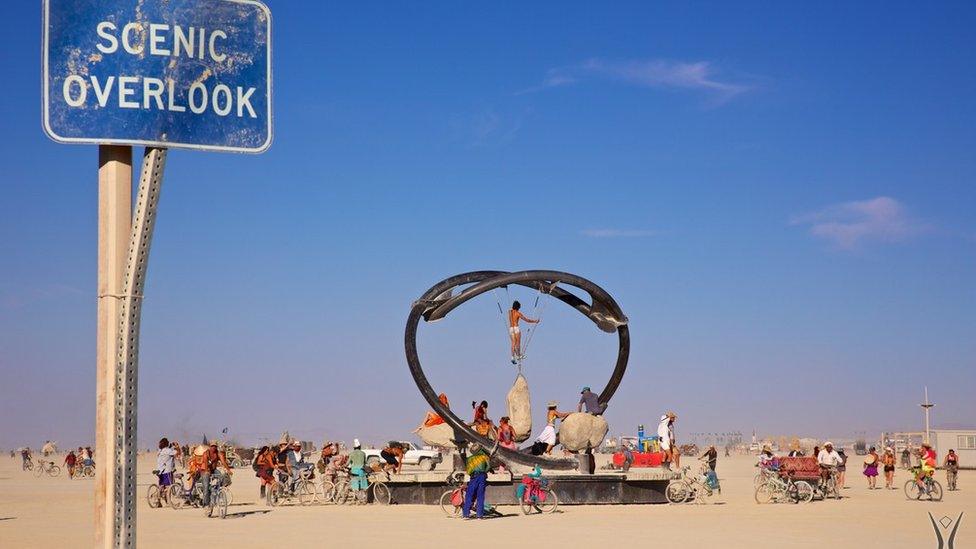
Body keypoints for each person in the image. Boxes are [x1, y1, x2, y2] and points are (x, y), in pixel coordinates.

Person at [462, 443, 491, 519]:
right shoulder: (485, 457)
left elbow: (468, 471)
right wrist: (483, 471)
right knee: (480, 496)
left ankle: (466, 515)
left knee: (469, 495)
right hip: (482, 477)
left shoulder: (469, 459)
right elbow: (488, 467)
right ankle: (479, 516)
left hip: (473, 478)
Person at [348, 439, 368, 504]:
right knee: (363, 485)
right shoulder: (363, 453)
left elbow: (348, 462)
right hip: (362, 471)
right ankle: (364, 499)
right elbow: (365, 462)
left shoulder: (351, 453)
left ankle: (357, 499)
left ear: (354, 447)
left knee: (355, 486)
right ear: (359, 447)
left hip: (354, 471)